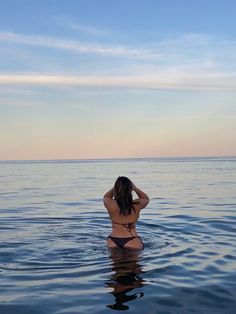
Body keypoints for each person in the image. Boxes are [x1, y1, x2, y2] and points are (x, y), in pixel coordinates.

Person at [103, 176, 149, 249]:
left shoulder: (110, 203)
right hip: (132, 240)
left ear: (116, 189)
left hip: (113, 240)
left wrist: (116, 187)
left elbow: (106, 196)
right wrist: (135, 188)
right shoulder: (137, 204)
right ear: (130, 189)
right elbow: (145, 198)